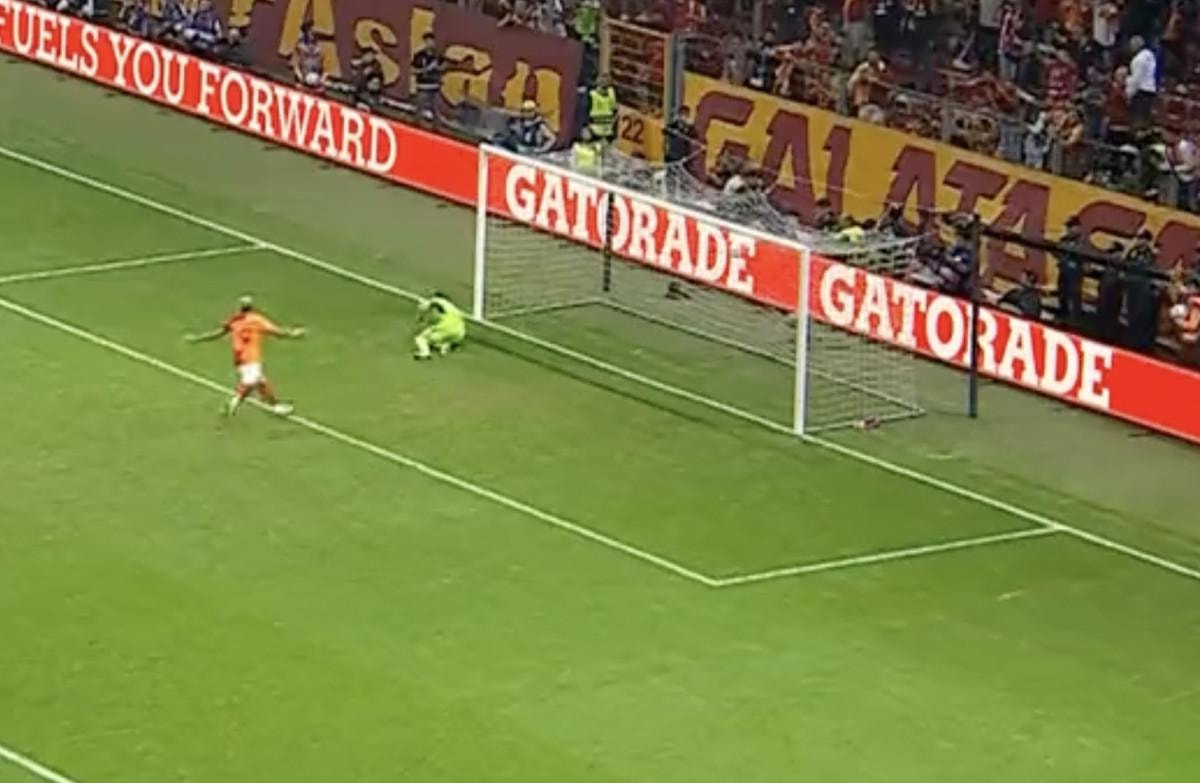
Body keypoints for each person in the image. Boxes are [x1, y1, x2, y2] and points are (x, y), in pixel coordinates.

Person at [186, 295, 305, 416]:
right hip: (251, 357)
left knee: (261, 382)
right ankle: (233, 403)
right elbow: (278, 332)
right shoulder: (257, 320)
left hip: (239, 358)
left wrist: (197, 338)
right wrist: (293, 333)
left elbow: (217, 333)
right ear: (251, 307)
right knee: (250, 383)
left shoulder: (234, 320)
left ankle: (276, 405)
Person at [413, 292, 467, 360]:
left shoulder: (435, 301)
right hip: (460, 332)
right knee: (441, 335)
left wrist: (420, 317)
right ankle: (445, 344)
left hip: (446, 326)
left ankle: (425, 352)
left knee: (420, 338)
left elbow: (423, 308)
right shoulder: (453, 307)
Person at [1056, 216, 1086, 327]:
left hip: (1074, 276)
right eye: (1068, 227)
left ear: (1078, 227)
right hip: (1063, 273)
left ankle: (1073, 323)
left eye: (1071, 227)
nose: (1069, 229)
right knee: (1062, 298)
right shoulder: (1064, 240)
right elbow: (1057, 252)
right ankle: (1063, 319)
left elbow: (1082, 257)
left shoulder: (1083, 242)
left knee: (1074, 300)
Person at [1125, 36, 1158, 129]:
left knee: (1139, 120)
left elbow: (1136, 79)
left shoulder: (1138, 60)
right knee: (1146, 118)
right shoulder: (1151, 56)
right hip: (1151, 91)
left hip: (1141, 92)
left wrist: (1129, 93)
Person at [411, 33, 443, 122]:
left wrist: (438, 68)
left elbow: (443, 67)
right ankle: (416, 126)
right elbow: (413, 70)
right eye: (427, 41)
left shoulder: (437, 55)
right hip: (423, 88)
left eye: (431, 41)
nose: (430, 43)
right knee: (419, 110)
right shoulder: (419, 56)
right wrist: (426, 69)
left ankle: (436, 128)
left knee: (436, 111)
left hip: (435, 88)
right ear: (424, 42)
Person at [587, 73, 618, 147]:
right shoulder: (592, 94)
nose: (604, 81)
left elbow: (615, 111)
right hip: (595, 131)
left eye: (606, 78)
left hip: (607, 132)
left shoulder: (612, 92)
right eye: (602, 78)